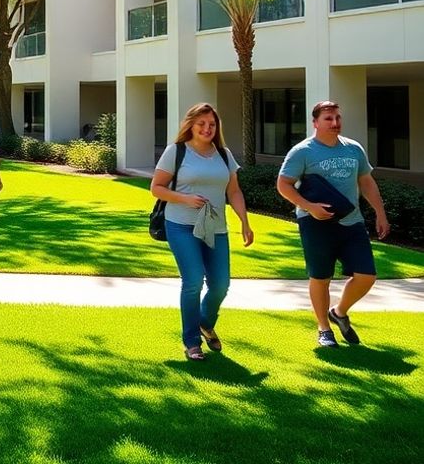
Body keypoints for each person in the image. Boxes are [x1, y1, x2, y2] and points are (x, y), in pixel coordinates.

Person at [277, 100, 391, 348]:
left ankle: (339, 312)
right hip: (316, 223)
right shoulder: (302, 151)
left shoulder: (354, 149)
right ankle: (324, 328)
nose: (335, 123)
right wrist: (310, 207)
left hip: (352, 222)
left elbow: (366, 182)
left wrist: (380, 212)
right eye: (328, 119)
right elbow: (283, 185)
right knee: (320, 277)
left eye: (338, 117)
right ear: (315, 122)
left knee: (367, 276)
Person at [150, 103, 254, 361]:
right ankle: (192, 343)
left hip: (216, 227)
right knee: (193, 280)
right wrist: (184, 199)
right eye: (202, 124)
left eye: (212, 124)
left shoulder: (223, 154)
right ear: (191, 125)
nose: (207, 129)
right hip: (181, 225)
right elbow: (157, 188)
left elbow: (234, 191)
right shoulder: (176, 152)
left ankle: (205, 322)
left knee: (221, 285)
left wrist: (244, 221)